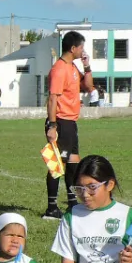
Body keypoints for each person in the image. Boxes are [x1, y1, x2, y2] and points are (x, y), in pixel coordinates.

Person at [42, 31, 95, 220]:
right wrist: (52, 125)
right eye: (81, 47)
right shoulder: (59, 69)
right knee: (56, 166)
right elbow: (52, 99)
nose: (83, 50)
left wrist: (87, 66)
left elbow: (88, 86)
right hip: (61, 123)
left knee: (73, 165)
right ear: (73, 48)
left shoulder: (73, 67)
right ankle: (51, 209)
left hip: (71, 123)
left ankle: (72, 203)